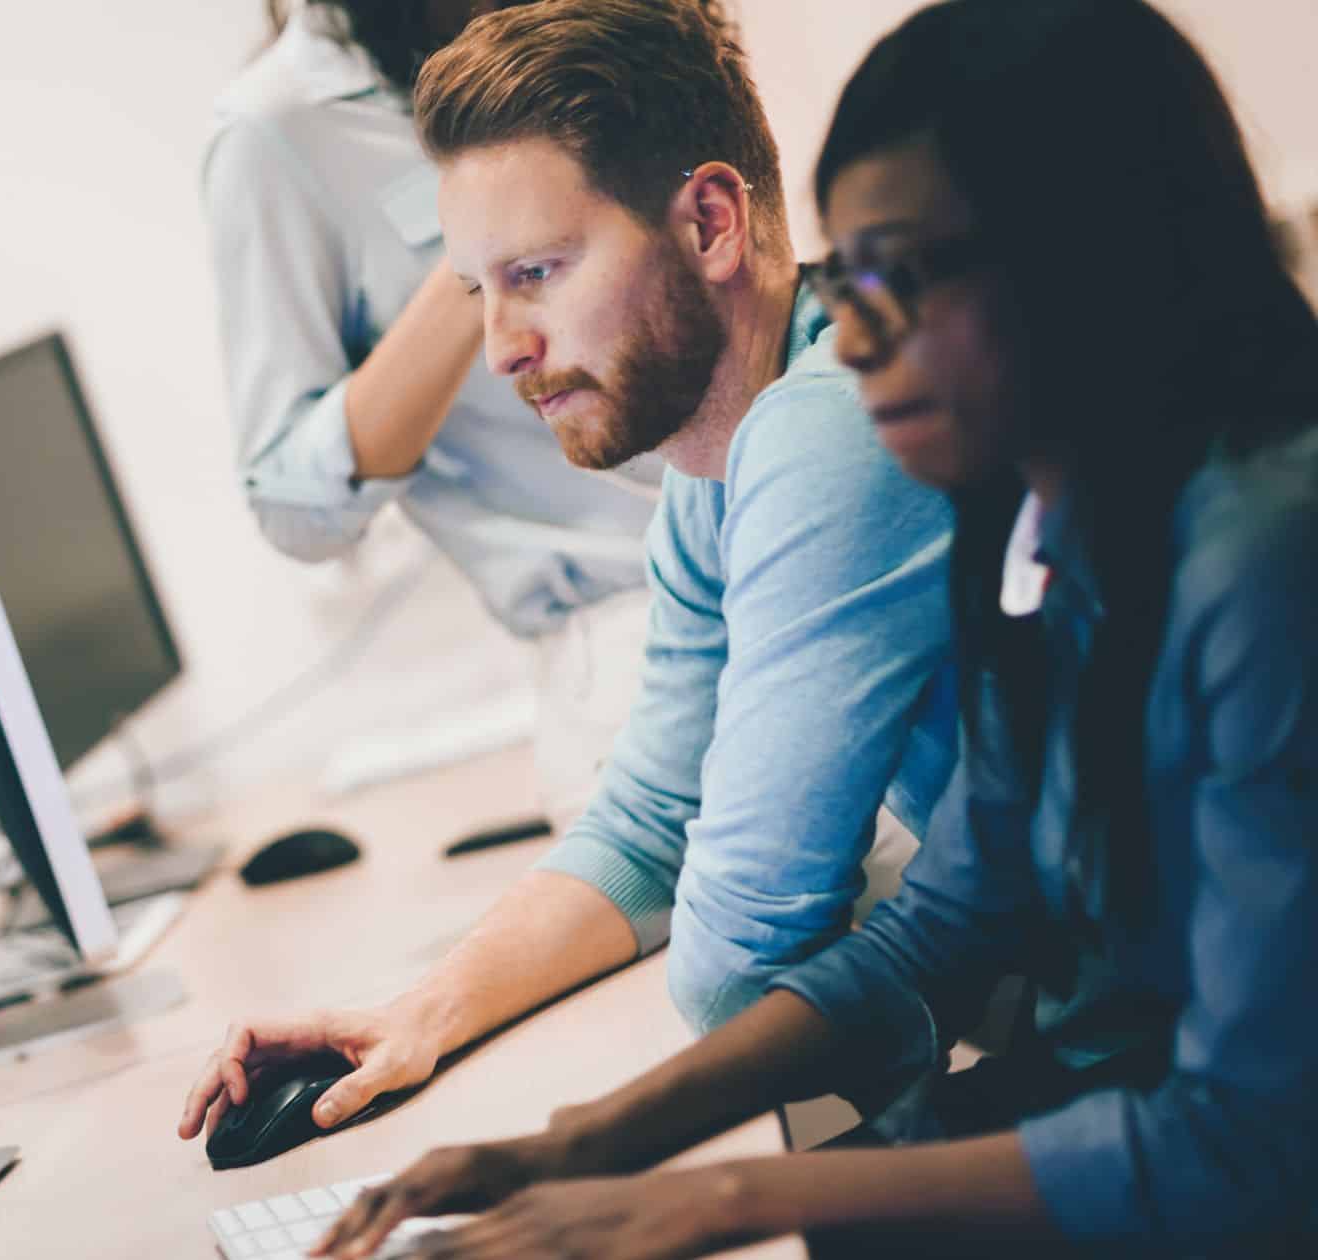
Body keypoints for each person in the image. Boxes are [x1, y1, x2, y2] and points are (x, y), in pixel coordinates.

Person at [313, 2, 1318, 1255]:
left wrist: (722, 1197)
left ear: (1086, 263)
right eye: (852, 270)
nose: (852, 330)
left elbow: (1249, 1145)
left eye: (908, 270)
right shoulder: (1035, 529)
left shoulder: (1263, 561)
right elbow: (954, 921)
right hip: (1136, 1114)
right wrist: (585, 1139)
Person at [179, 0, 959, 1148]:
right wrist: (420, 1012)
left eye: (535, 273)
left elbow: (736, 960)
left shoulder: (827, 433)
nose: (497, 350)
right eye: (477, 289)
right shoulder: (709, 477)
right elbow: (647, 825)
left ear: (707, 224)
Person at [205, 1, 663, 823]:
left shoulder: (602, 22)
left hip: (782, 545)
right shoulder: (275, 132)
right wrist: (484, 252)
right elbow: (292, 503)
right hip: (629, 638)